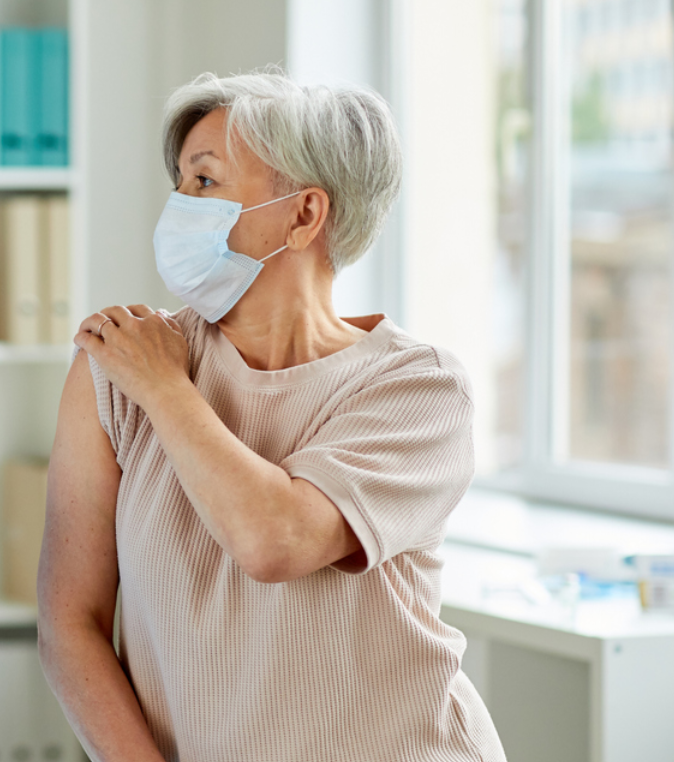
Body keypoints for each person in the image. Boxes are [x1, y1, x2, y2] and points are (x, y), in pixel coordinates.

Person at [37, 71, 505, 761]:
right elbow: (69, 624)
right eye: (180, 183)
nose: (178, 207)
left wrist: (168, 389)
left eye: (205, 182)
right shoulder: (114, 370)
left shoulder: (417, 388)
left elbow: (273, 541)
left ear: (304, 215)